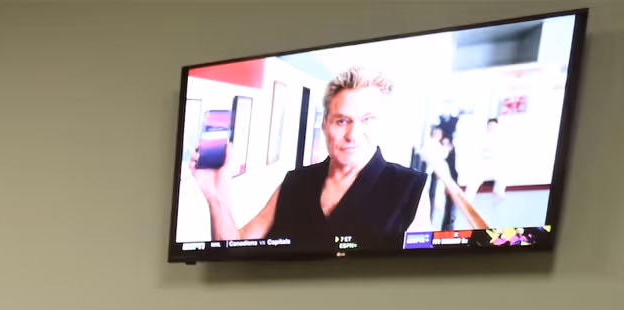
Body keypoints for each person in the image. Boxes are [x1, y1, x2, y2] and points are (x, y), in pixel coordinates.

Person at [193, 67, 491, 247]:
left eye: (367, 120)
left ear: (383, 126)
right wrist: (216, 197)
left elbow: (416, 275)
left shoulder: (410, 188)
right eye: (341, 121)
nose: (352, 134)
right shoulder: (296, 182)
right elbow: (233, 247)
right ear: (325, 126)